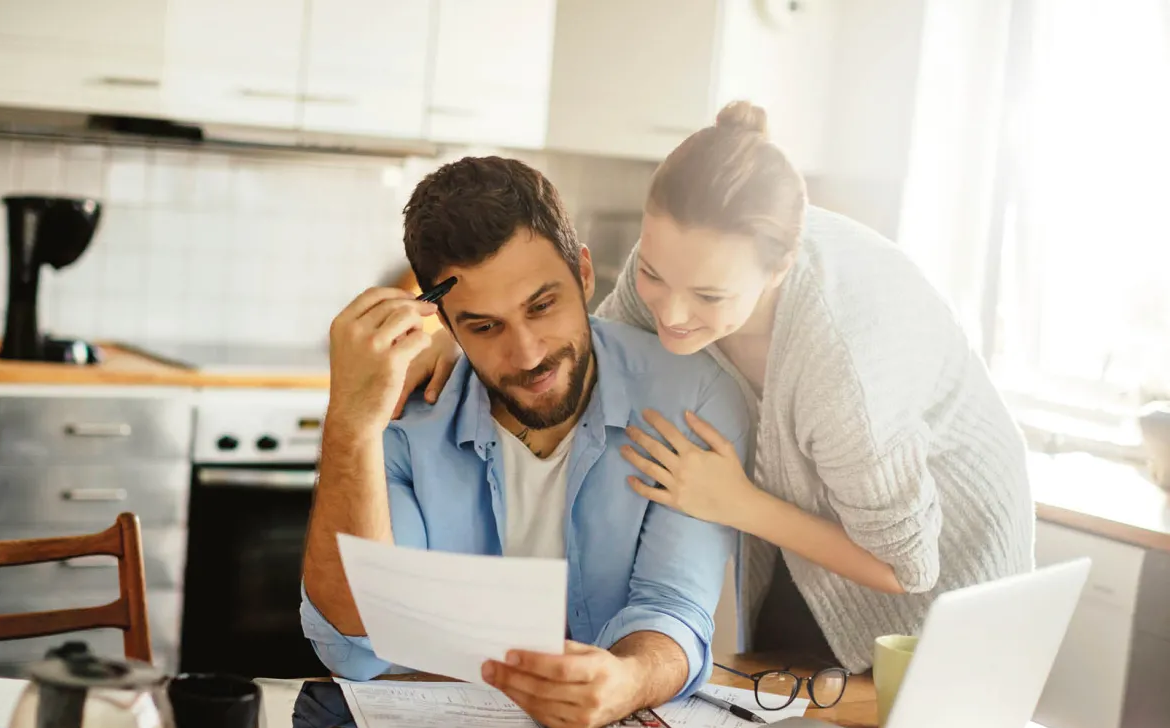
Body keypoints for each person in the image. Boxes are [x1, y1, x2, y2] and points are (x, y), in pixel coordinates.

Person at [402, 102, 1035, 672]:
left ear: (779, 267)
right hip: (810, 550)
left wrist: (739, 504)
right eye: (650, 273)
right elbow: (594, 351)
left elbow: (907, 567)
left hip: (941, 588)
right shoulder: (680, 276)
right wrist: (462, 336)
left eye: (708, 295)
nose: (670, 314)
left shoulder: (843, 369)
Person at [300, 156, 749, 728]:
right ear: (446, 324)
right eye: (485, 327)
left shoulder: (693, 397)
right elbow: (356, 639)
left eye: (543, 306)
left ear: (584, 275)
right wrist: (349, 427)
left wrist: (628, 680)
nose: (530, 353)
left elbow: (672, 607)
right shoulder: (403, 415)